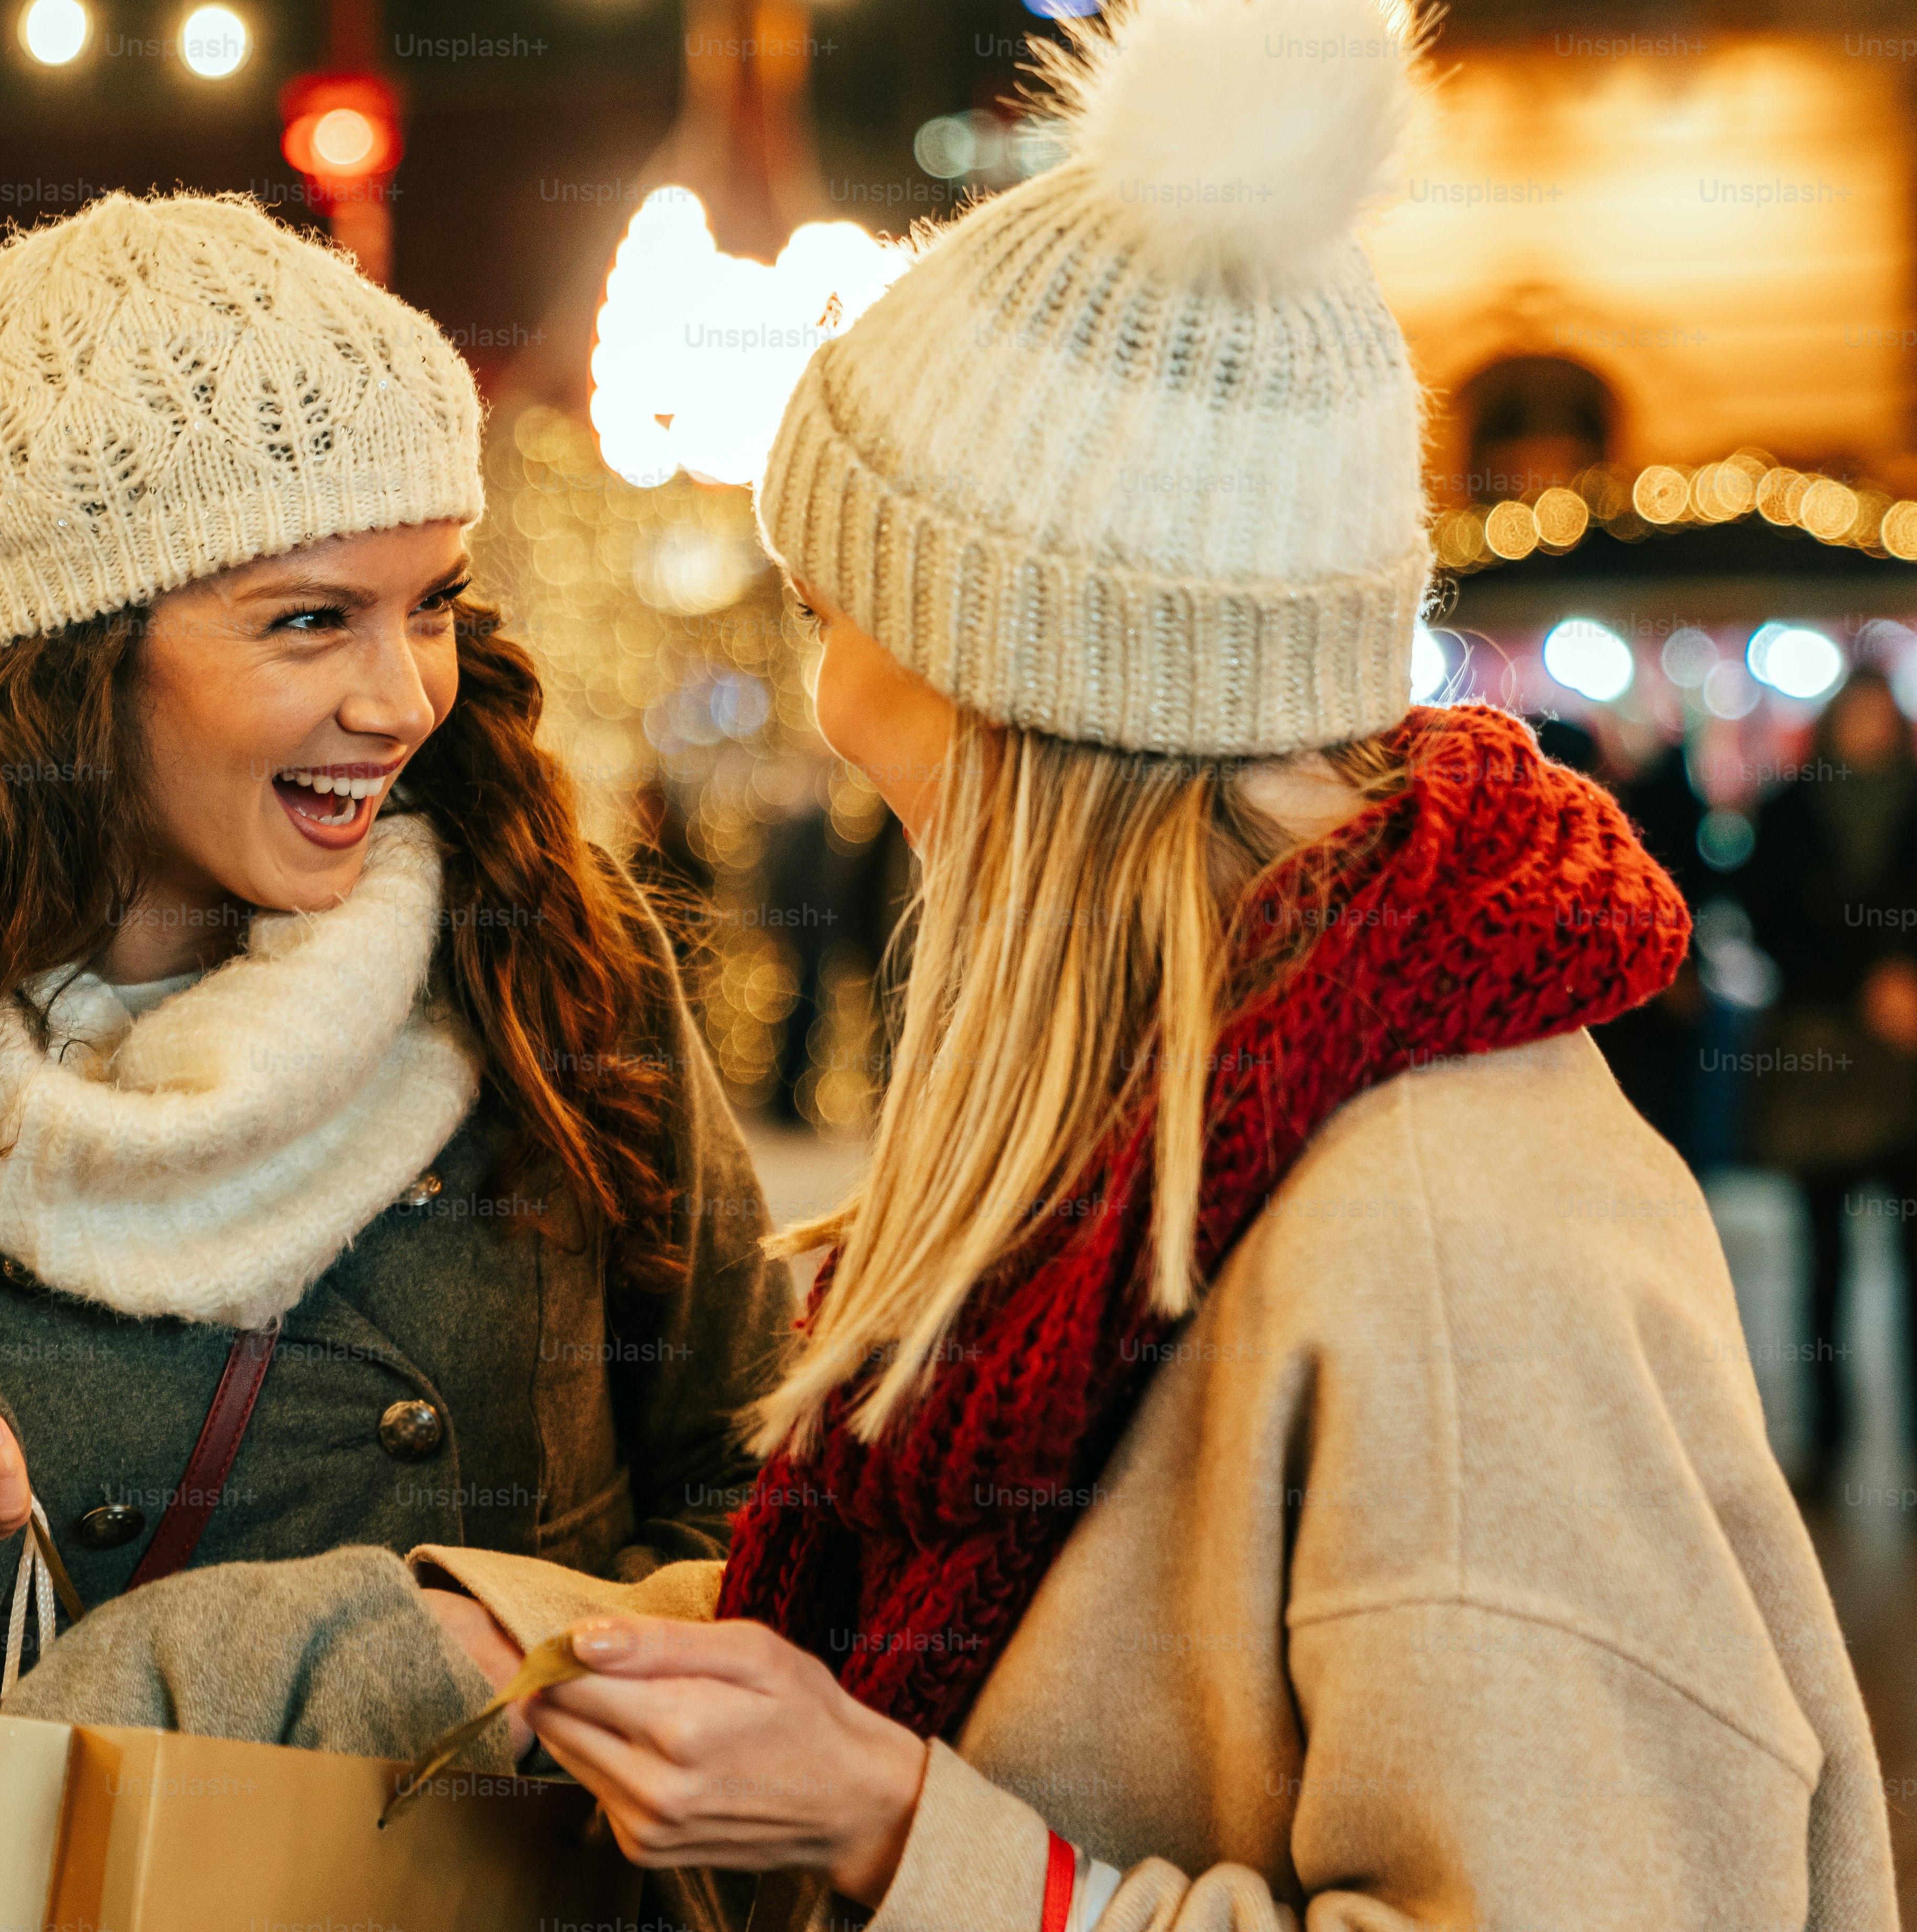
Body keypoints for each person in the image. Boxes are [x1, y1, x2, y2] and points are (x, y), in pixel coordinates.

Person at [410, 4, 1896, 1925]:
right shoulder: (1193, 1104)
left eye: (830, 598)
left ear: (1015, 688)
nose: (819, 681)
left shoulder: (1447, 1231)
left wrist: (893, 1826)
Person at [0, 191, 794, 1768]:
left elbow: (764, 1493)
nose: (402, 698)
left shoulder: (550, 967)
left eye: (430, 603)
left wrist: (479, 1666)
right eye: (310, 621)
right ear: (73, 660)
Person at [1740, 665, 1917, 1492]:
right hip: (1821, 1054)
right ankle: (1827, 1441)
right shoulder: (1788, 809)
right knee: (1823, 1260)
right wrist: (1864, 980)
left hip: (1908, 1056)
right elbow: (1768, 918)